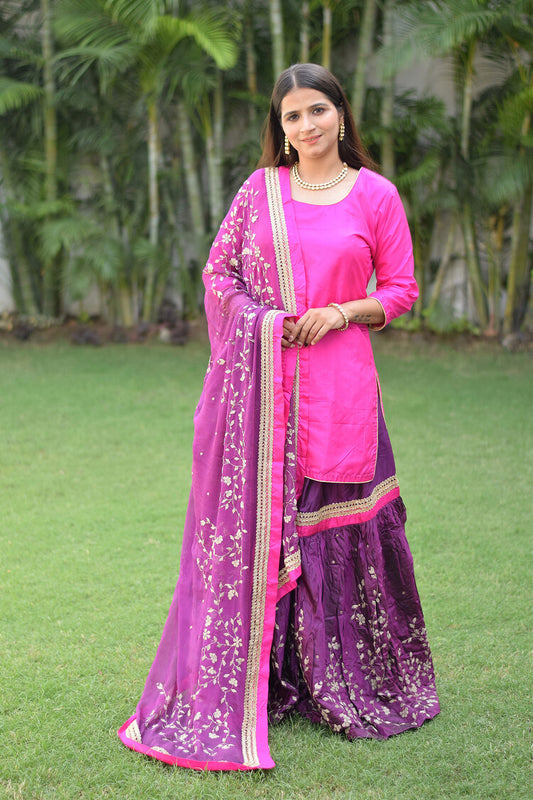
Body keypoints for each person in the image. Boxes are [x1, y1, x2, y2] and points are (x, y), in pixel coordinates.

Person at [118, 63, 440, 771]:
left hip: (340, 386)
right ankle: (267, 684)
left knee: (334, 525)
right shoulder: (256, 192)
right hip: (262, 390)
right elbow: (218, 276)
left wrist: (338, 312)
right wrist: (263, 322)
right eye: (292, 116)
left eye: (317, 110)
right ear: (280, 128)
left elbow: (401, 289)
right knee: (266, 524)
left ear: (341, 115)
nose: (306, 126)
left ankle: (346, 681)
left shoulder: (375, 195)